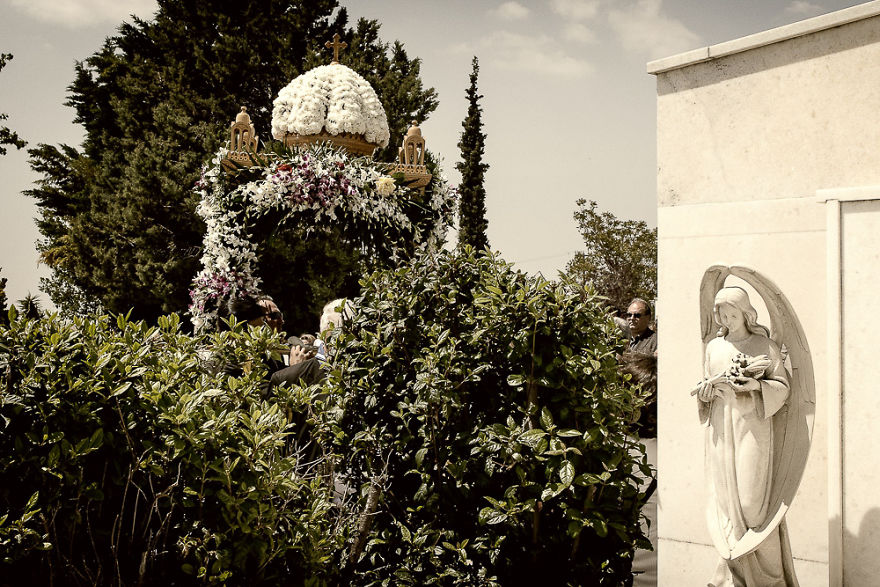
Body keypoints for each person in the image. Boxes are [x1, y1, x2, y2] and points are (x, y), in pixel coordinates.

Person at [696, 287, 797, 586]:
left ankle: (770, 579)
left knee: (754, 508)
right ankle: (733, 578)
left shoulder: (763, 345)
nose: (727, 319)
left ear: (746, 313)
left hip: (753, 428)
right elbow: (706, 387)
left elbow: (784, 388)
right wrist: (704, 393)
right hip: (721, 429)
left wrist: (753, 387)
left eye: (732, 313)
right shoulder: (714, 347)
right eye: (722, 314)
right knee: (727, 505)